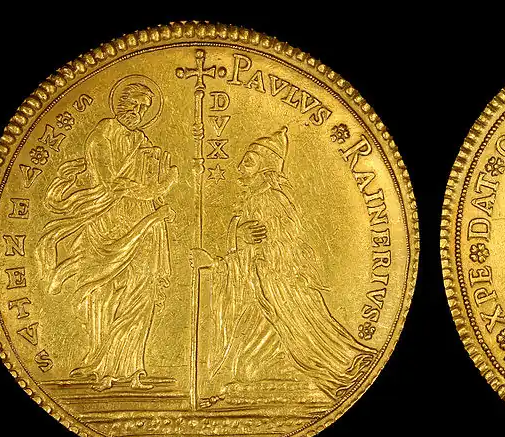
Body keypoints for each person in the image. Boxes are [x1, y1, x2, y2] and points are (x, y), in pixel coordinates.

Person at [191, 127, 375, 406]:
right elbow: (249, 253)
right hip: (261, 291)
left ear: (265, 169)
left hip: (278, 293)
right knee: (243, 352)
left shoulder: (269, 201)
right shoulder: (254, 200)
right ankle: (220, 387)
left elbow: (277, 252)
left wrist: (226, 252)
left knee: (296, 347)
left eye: (248, 162)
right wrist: (228, 248)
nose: (240, 167)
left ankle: (340, 372)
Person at [37, 81, 177, 391]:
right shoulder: (101, 136)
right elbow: (113, 185)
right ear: (120, 103)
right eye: (133, 105)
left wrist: (156, 194)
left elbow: (141, 181)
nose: (138, 112)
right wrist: (161, 185)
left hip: (143, 223)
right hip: (106, 224)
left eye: (143, 108)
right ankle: (102, 366)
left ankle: (133, 368)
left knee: (142, 293)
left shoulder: (142, 141)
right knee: (102, 292)